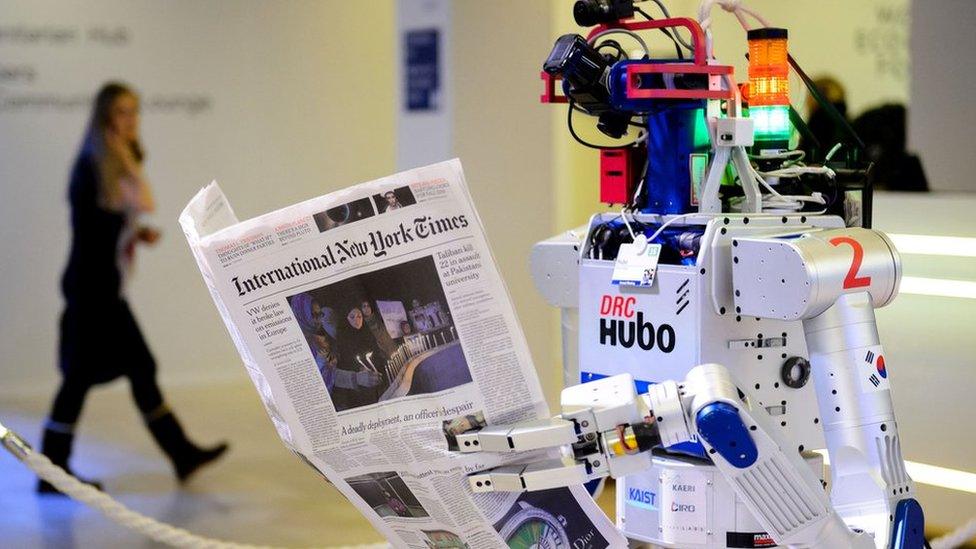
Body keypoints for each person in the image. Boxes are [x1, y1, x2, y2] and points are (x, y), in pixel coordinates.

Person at [39, 82, 227, 494]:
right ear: (106, 117)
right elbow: (141, 201)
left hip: (104, 289)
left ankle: (180, 453)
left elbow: (113, 219)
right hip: (91, 291)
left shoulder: (106, 163)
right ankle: (51, 468)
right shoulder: (95, 163)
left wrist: (134, 234)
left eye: (134, 112)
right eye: (123, 113)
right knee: (79, 377)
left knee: (137, 368)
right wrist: (127, 160)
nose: (131, 121)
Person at [331, 307, 385, 411]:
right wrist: (360, 370)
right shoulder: (343, 337)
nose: (357, 320)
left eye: (359, 316)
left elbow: (377, 354)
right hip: (358, 389)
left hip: (376, 382)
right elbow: (345, 361)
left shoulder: (367, 333)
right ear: (346, 318)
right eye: (352, 317)